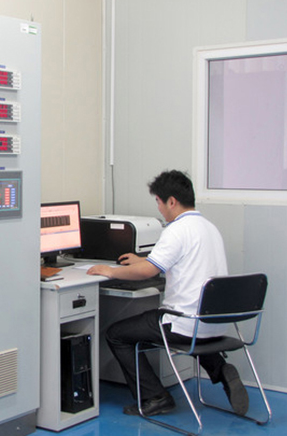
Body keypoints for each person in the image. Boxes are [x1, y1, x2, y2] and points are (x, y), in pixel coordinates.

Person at [87, 170, 249, 417]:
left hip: (184, 323)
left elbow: (147, 272)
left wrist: (110, 271)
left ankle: (155, 397)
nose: (159, 209)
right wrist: (144, 260)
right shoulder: (208, 227)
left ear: (171, 201)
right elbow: (176, 263)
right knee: (191, 327)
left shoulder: (176, 230)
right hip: (214, 322)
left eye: (159, 202)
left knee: (116, 334)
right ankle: (220, 369)